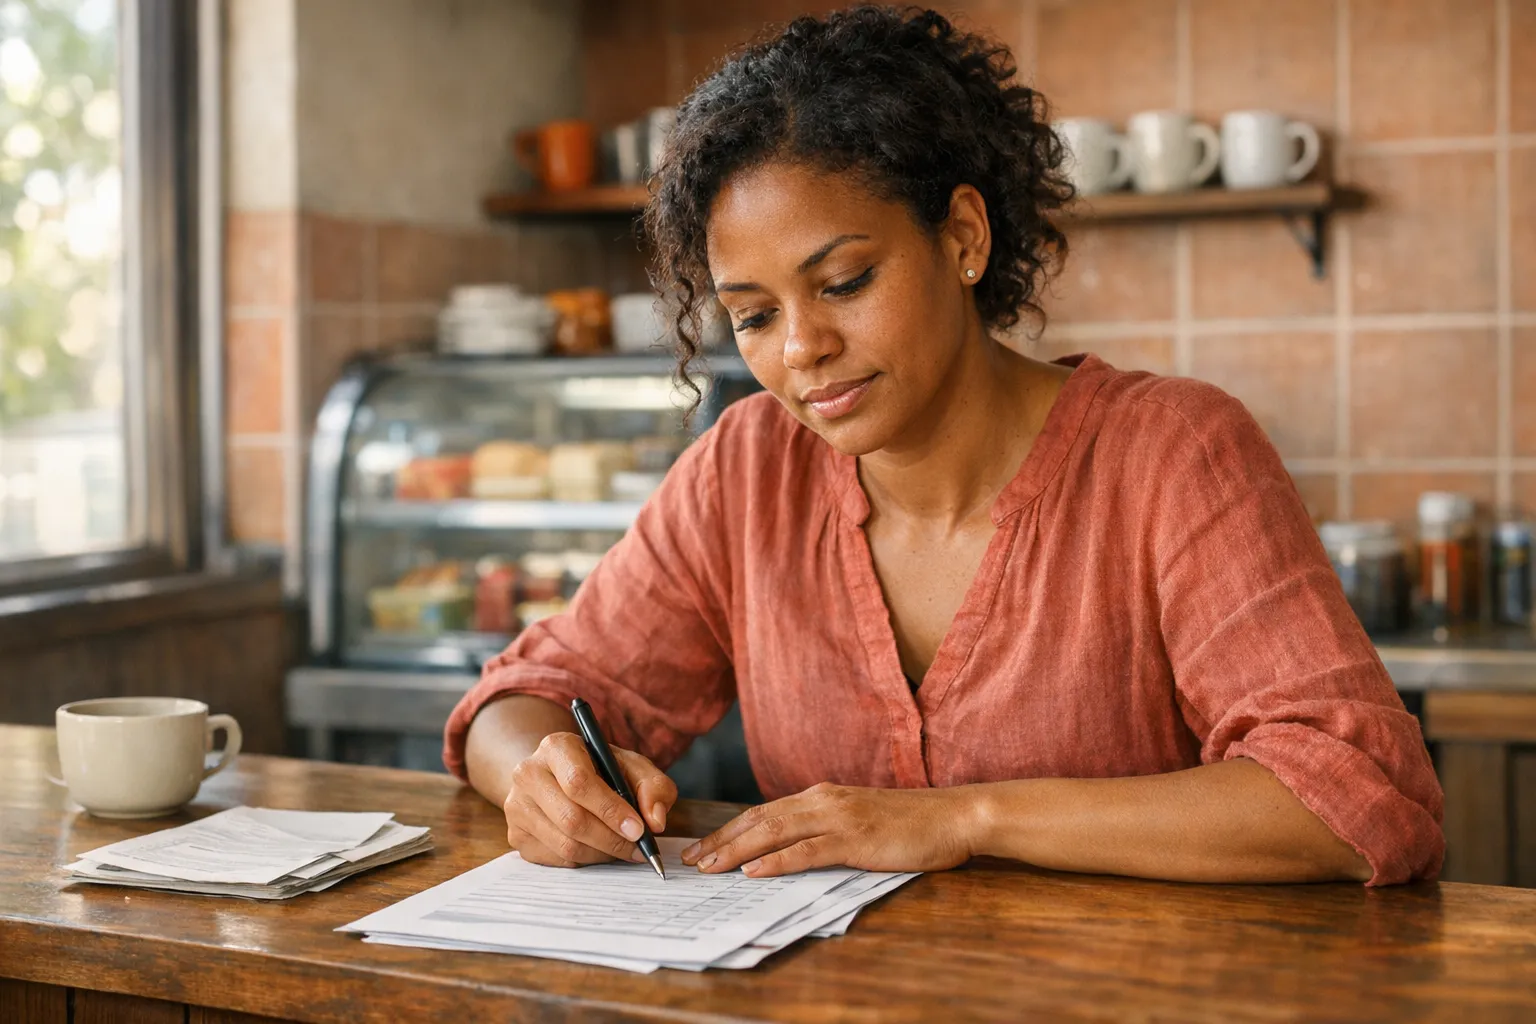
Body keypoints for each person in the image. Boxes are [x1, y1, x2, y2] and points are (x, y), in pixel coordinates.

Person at [445, 5, 1443, 886]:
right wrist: (539, 775)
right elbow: (526, 697)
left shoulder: (1172, 453)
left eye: (843, 284)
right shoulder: (747, 470)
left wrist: (964, 817)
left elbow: (1353, 794)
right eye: (751, 315)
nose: (801, 351)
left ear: (964, 237)